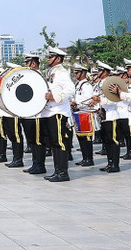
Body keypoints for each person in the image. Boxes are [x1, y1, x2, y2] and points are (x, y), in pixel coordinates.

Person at [39, 47, 74, 182]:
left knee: (60, 143)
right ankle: (57, 170)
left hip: (58, 112)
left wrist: (55, 97)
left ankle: (63, 172)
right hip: (50, 112)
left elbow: (70, 89)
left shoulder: (62, 72)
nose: (48, 59)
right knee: (54, 143)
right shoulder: (52, 71)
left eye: (50, 57)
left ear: (58, 58)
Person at [71, 64, 95, 167]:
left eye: (78, 72)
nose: (76, 74)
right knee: (80, 137)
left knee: (86, 138)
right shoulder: (77, 85)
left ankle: (89, 158)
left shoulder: (86, 85)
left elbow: (89, 99)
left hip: (85, 113)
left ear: (83, 73)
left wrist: (77, 103)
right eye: (75, 72)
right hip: (78, 113)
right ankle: (84, 158)